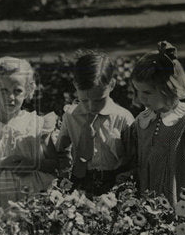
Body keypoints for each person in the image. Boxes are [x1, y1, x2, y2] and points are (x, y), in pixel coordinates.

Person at [122, 41, 185, 210]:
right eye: (138, 91)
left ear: (169, 89)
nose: (141, 98)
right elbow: (135, 163)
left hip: (180, 206)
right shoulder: (142, 121)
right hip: (146, 209)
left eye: (147, 92)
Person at [0, 56, 57, 207]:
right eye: (4, 91)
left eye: (17, 91)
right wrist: (2, 164)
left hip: (33, 197)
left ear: (28, 91)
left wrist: (33, 164)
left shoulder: (36, 124)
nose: (10, 97)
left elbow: (54, 164)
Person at [51, 50, 134, 195]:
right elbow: (61, 151)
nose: (91, 107)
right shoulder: (71, 116)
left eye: (99, 100)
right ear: (75, 86)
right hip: (80, 182)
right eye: (84, 100)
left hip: (115, 185)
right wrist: (65, 177)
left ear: (112, 85)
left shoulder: (123, 118)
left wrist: (123, 183)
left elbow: (133, 157)